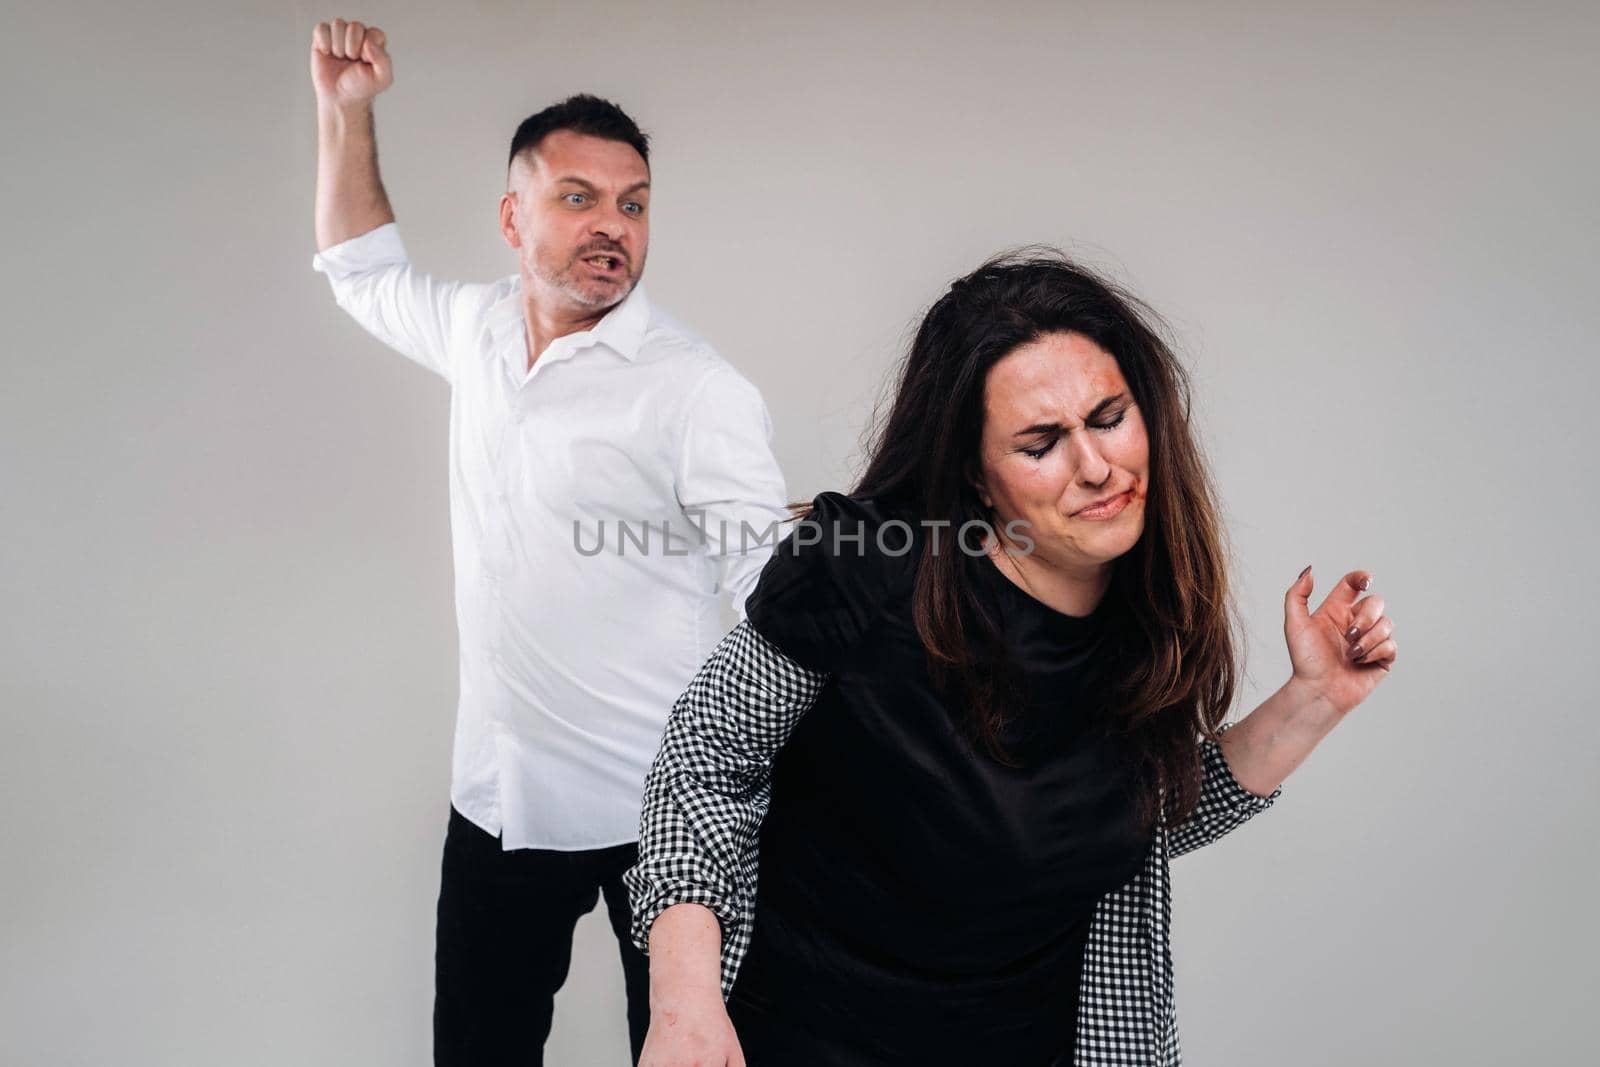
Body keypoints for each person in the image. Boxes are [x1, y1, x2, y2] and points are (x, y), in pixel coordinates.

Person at [623, 250, 1398, 1066]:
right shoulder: (860, 567)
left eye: (1108, 417)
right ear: (976, 474)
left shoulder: (1147, 613)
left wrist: (1318, 697)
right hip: (806, 1036)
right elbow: (704, 761)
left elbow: (1132, 817)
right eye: (1042, 443)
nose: (1097, 466)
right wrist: (683, 1002)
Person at [306, 18, 791, 1066]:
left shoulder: (695, 389)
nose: (610, 226)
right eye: (578, 199)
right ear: (512, 217)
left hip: (664, 817)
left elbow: (772, 596)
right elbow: (358, 267)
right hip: (498, 800)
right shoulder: (479, 331)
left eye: (633, 204)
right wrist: (346, 112)